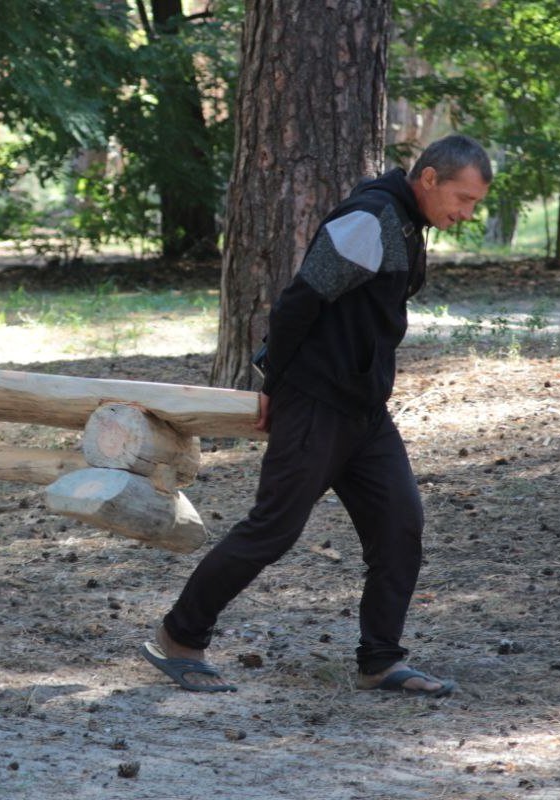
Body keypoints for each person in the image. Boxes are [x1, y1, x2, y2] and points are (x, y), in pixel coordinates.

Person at [141, 135, 492, 695]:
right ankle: (179, 637)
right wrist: (278, 387)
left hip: (363, 411)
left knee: (400, 524)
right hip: (315, 403)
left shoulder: (406, 223)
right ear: (428, 179)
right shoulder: (371, 218)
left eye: (474, 203)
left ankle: (380, 661)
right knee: (273, 530)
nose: (467, 212)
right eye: (463, 197)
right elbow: (297, 303)